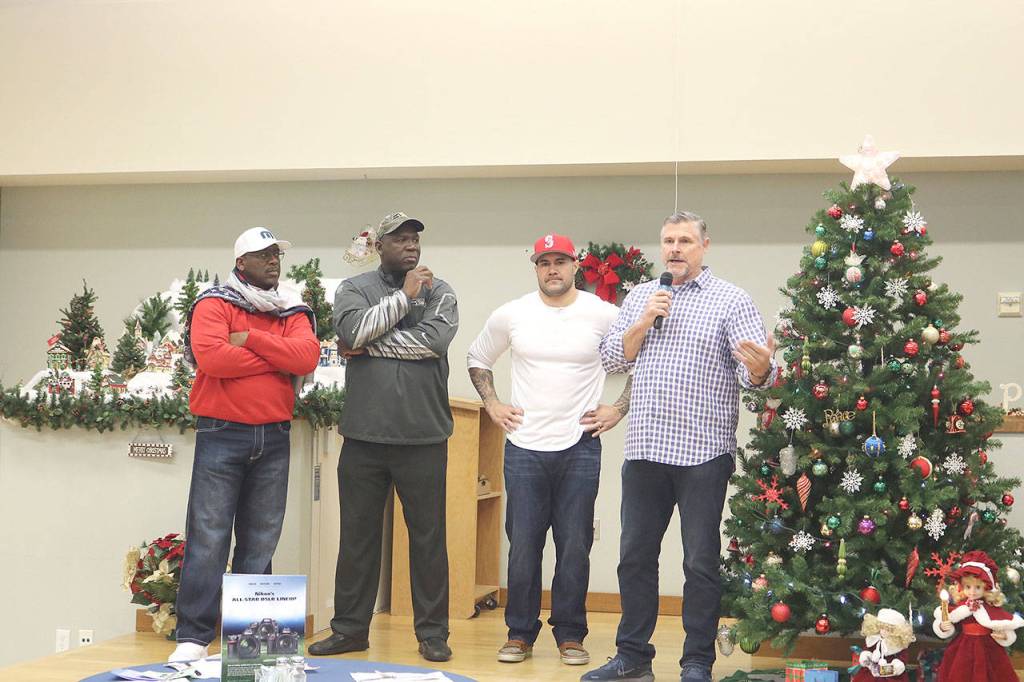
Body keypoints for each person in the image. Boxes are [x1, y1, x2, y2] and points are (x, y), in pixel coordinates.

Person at [582, 211, 777, 682]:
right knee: (634, 557)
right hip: (646, 448)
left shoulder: (730, 300)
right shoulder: (642, 297)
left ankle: (696, 662)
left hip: (703, 452)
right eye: (668, 240)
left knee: (699, 561)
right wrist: (644, 320)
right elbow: (612, 357)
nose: (675, 249)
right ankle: (632, 656)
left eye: (685, 240)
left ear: (704, 247)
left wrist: (760, 369)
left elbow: (756, 378)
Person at [467, 234, 631, 667]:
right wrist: (492, 404)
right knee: (522, 545)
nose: (552, 269)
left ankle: (571, 634)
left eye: (560, 261)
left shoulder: (602, 313)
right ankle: (519, 633)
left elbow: (645, 355)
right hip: (524, 447)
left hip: (580, 445)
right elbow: (478, 358)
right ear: (536, 268)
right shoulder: (513, 313)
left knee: (575, 544)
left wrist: (618, 408)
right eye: (544, 262)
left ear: (575, 265)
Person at [309, 212, 459, 663]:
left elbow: (432, 343)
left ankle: (432, 633)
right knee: (357, 538)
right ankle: (350, 630)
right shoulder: (353, 289)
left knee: (428, 540)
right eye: (400, 240)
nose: (411, 247)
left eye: (415, 239)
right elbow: (349, 331)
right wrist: (402, 302)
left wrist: (369, 341)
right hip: (363, 437)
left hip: (424, 437)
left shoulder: (442, 291)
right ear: (379, 246)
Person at [170, 227, 320, 663]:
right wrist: (277, 357)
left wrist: (252, 340)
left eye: (276, 254)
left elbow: (306, 358)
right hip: (221, 432)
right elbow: (213, 358)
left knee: (260, 540)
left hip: (273, 435)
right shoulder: (214, 303)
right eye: (263, 254)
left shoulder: (293, 307)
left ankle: (250, 644)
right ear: (241, 263)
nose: (273, 260)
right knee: (209, 536)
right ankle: (194, 636)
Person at [932, 550, 1024, 682]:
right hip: (963, 647)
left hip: (989, 647)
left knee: (993, 673)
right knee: (960, 673)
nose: (972, 592)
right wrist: (943, 626)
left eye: (977, 587)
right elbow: (950, 623)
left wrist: (1004, 636)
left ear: (986, 588)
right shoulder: (960, 608)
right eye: (968, 587)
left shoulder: (991, 608)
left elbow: (1004, 625)